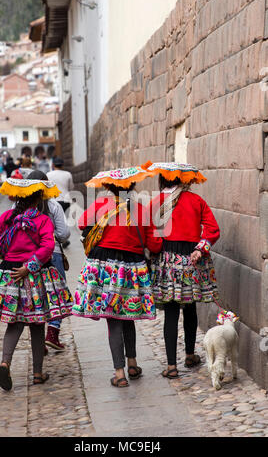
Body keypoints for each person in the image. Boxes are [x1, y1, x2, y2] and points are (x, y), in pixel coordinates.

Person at [72, 164, 162, 388]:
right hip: (133, 267)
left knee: (113, 319)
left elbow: (82, 223)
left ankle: (120, 373)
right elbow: (153, 243)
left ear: (108, 186)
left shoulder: (102, 203)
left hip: (105, 267)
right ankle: (132, 363)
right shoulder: (142, 209)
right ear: (132, 185)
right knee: (128, 315)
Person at [0, 177, 74, 391]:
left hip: (10, 274)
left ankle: (5, 362)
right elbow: (47, 247)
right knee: (37, 323)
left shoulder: (8, 217)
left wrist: (6, 251)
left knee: (13, 323)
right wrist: (30, 265)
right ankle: (37, 373)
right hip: (34, 276)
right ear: (37, 200)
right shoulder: (42, 220)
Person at [147, 162, 220, 380]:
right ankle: (190, 354)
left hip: (167, 262)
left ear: (162, 179)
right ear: (182, 179)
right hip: (191, 261)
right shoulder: (196, 200)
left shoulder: (155, 203)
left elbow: (152, 240)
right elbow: (213, 229)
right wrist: (200, 248)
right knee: (189, 307)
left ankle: (171, 366)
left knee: (170, 313)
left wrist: (156, 250)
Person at [26, 170, 71, 351]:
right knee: (57, 294)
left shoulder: (18, 207)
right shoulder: (53, 205)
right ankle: (52, 333)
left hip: (28, 256)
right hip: (53, 254)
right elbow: (63, 233)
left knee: (33, 295)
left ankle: (38, 343)